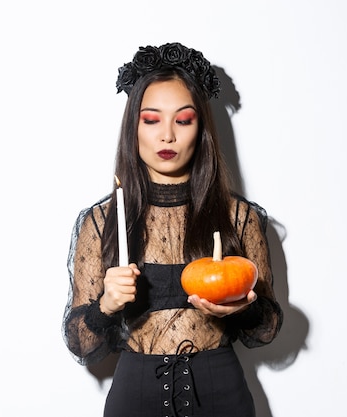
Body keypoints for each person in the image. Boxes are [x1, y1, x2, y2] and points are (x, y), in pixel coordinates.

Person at [62, 42, 283, 417]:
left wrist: (243, 308)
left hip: (221, 394)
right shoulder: (101, 222)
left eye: (183, 120)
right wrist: (106, 305)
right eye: (152, 120)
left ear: (201, 128)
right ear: (134, 126)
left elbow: (267, 328)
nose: (167, 136)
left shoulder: (238, 217)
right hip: (135, 397)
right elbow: (80, 342)